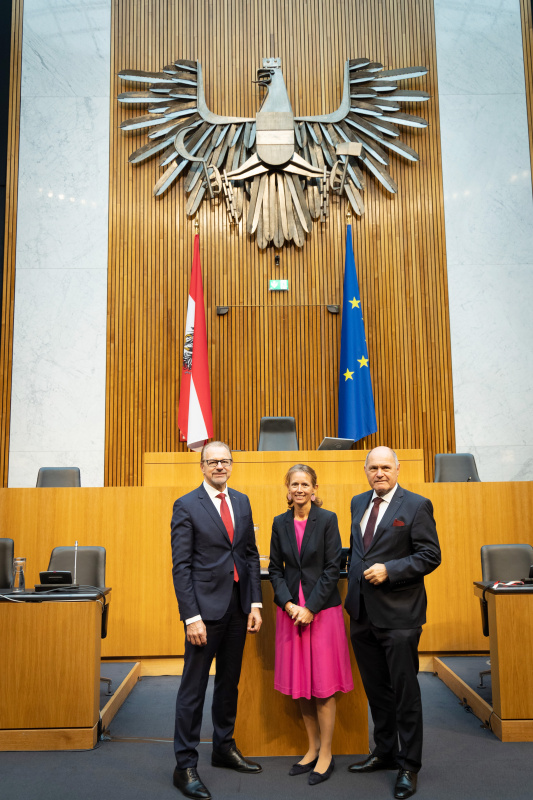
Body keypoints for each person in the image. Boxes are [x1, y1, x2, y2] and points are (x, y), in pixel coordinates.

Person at [345, 446, 441, 800]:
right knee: (376, 690)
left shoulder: (416, 505)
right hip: (362, 614)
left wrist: (391, 570)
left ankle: (409, 765)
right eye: (374, 468)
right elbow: (360, 551)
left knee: (404, 692)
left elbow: (430, 554)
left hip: (400, 615)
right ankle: (385, 751)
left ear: (398, 469)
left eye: (386, 467)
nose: (380, 473)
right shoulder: (358, 502)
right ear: (366, 470)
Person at [170, 441, 263, 800]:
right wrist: (191, 617)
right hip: (204, 614)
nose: (220, 466)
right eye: (213, 462)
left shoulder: (241, 501)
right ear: (202, 466)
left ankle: (223, 748)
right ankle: (184, 765)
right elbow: (182, 567)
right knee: (192, 690)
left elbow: (250, 555)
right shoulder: (186, 505)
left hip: (239, 609)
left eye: (225, 461)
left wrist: (255, 603)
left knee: (229, 684)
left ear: (232, 464)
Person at [269, 464, 353, 786]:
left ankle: (327, 753)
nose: (300, 489)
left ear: (314, 489)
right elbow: (276, 569)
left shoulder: (328, 520)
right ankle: (311, 747)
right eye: (295, 484)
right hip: (291, 611)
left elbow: (334, 568)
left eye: (305, 484)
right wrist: (289, 603)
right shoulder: (280, 523)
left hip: (322, 612)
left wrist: (311, 607)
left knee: (323, 684)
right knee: (301, 682)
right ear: (288, 490)